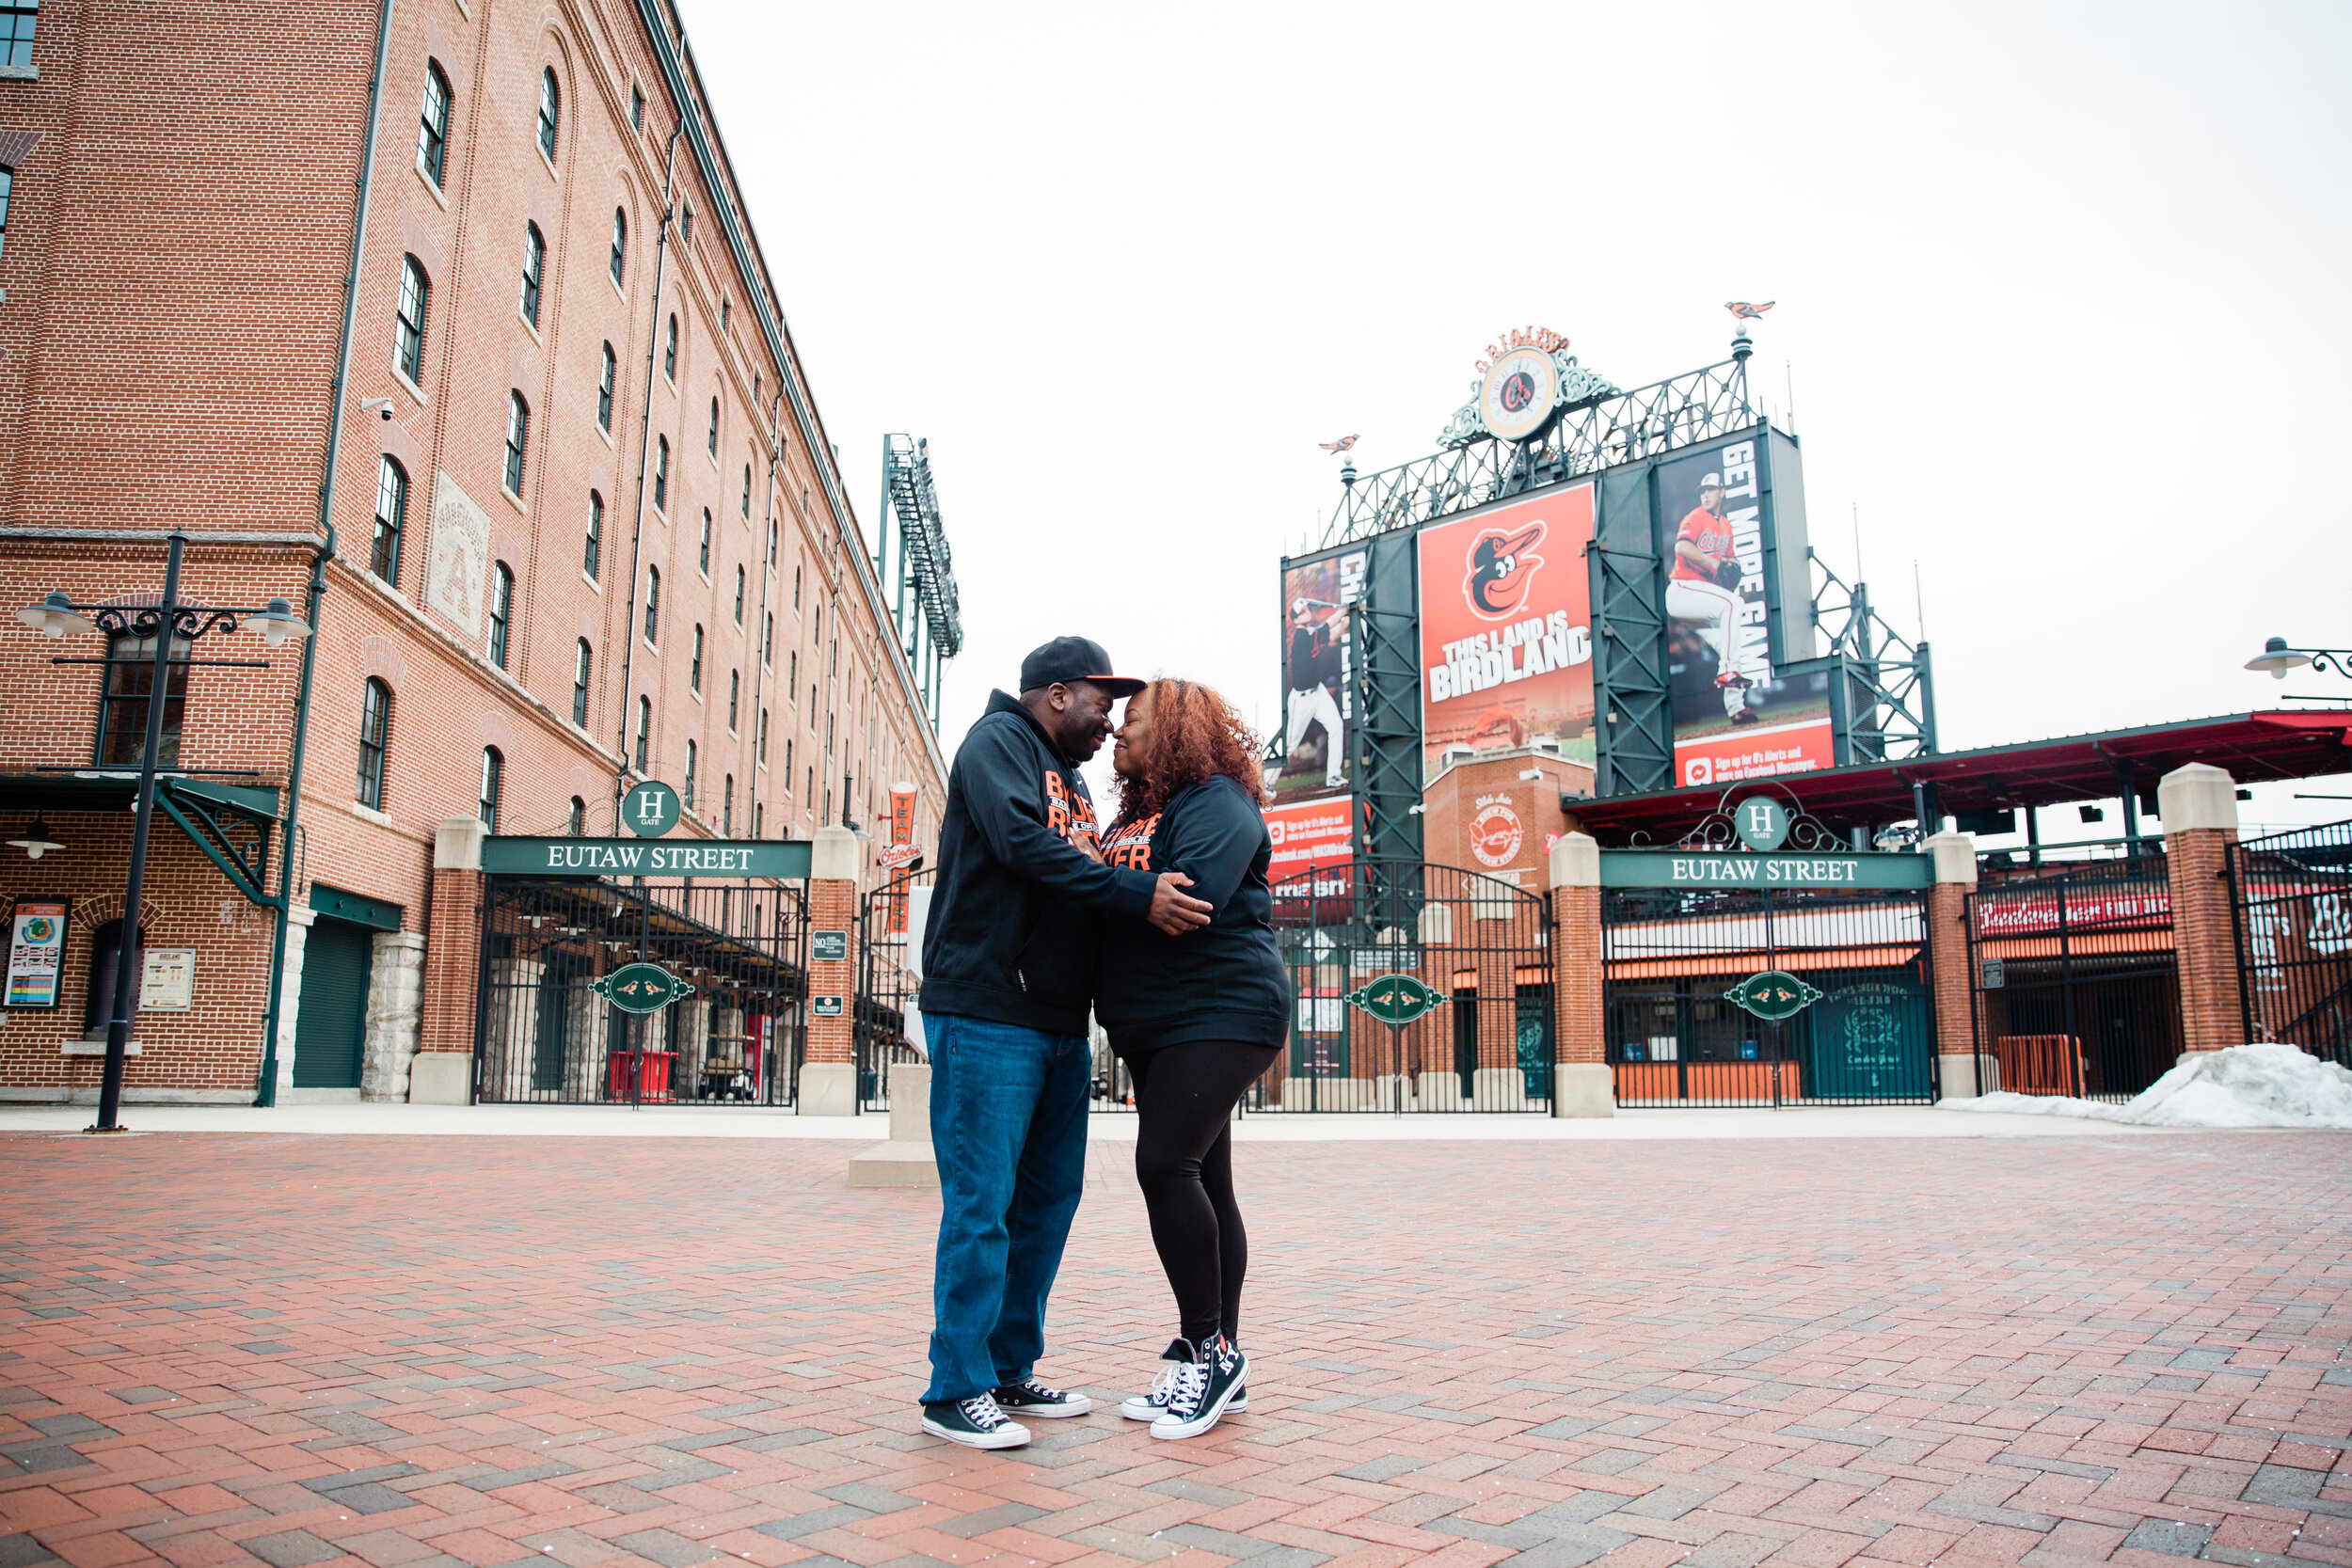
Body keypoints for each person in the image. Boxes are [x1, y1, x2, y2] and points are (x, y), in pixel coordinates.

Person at [916, 637, 1215, 1449]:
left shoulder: (1075, 782)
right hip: (986, 1009)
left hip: (1055, 1020)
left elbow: (1078, 869)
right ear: (1055, 694)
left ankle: (1009, 1369)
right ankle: (956, 1388)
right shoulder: (997, 743)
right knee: (982, 1205)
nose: (1108, 719)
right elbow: (1021, 844)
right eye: (1099, 700)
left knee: (1048, 1202)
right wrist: (1135, 894)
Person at [1092, 678, 1290, 1440]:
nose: (1119, 734)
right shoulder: (1139, 814)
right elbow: (1134, 895)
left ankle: (1208, 1348)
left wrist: (1099, 884)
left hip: (1221, 1006)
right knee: (1207, 1175)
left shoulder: (1216, 801)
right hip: (1156, 1019)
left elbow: (1193, 894)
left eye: (1133, 722)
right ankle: (1214, 1349)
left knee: (1163, 1164)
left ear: (1173, 727)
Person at [1662, 472, 1769, 725]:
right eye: (1703, 491)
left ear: (1722, 491)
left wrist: (1732, 567)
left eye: (1711, 490)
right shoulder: (1696, 517)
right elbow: (1681, 547)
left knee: (1729, 646)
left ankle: (1736, 708)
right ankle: (1727, 671)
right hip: (1682, 590)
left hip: (1700, 598)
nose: (1706, 494)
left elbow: (1728, 564)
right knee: (1734, 604)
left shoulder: (1727, 526)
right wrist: (1713, 562)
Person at [1283, 597, 1347, 787]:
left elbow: (1332, 634)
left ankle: (1333, 775)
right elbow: (1328, 627)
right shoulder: (1302, 637)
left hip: (1318, 692)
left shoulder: (1311, 633)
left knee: (1336, 726)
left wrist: (1347, 620)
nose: (1307, 612)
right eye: (1302, 612)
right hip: (1300, 699)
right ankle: (1266, 783)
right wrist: (1342, 612)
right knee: (1289, 745)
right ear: (1295, 620)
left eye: (1306, 610)